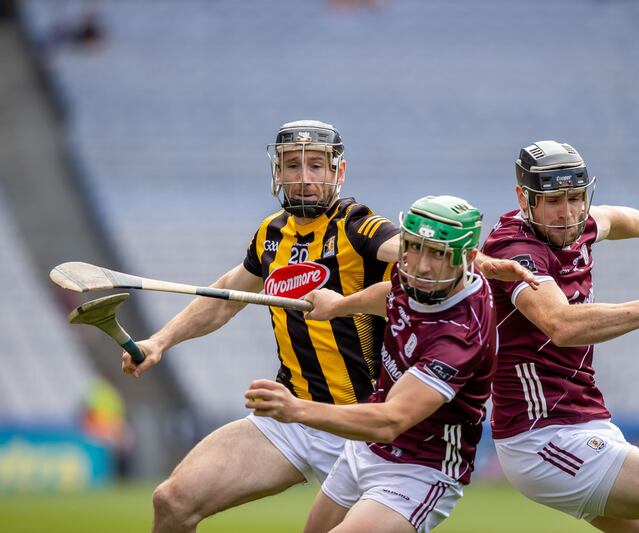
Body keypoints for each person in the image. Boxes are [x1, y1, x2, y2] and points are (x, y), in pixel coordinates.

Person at [119, 120, 532, 531]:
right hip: (290, 418)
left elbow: (412, 249)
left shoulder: (358, 225)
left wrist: (477, 261)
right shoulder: (270, 235)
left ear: (338, 171)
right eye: (292, 166)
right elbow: (226, 296)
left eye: (316, 166)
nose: (304, 179)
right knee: (172, 500)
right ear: (276, 172)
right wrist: (160, 340)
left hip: (363, 424)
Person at [481, 140, 639, 532]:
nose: (567, 213)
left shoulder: (576, 224)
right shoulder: (516, 248)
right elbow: (561, 325)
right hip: (543, 437)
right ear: (524, 198)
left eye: (575, 197)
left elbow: (614, 219)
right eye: (554, 201)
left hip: (580, 421)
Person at [246, 195, 497, 533]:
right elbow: (390, 295)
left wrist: (295, 409)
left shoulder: (458, 336)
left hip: (420, 468)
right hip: (366, 449)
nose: (422, 265)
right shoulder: (416, 277)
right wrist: (340, 305)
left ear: (467, 258)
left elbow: (390, 420)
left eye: (438, 253)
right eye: (415, 247)